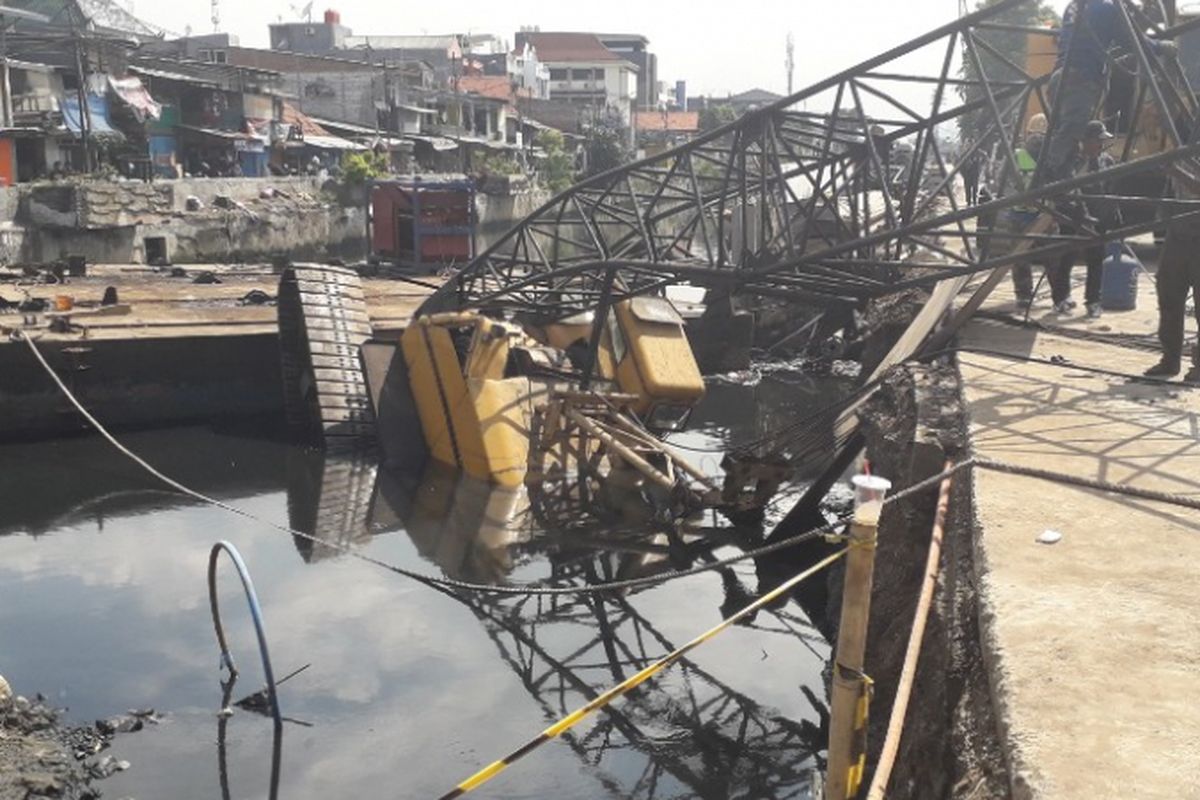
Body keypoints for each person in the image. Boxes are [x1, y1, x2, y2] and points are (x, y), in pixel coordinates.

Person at [1042, 0, 1172, 183]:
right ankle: (1047, 170)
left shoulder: (1074, 5)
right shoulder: (1105, 7)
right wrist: (1159, 47)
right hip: (1081, 77)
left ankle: (1060, 178)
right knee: (1073, 128)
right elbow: (1131, 39)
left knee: (1067, 132)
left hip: (1060, 76)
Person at [1048, 120, 1120, 317]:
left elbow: (1110, 190)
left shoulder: (1107, 161)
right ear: (1086, 141)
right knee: (1067, 257)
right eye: (1097, 140)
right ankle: (1061, 297)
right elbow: (1064, 189)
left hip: (1098, 217)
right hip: (1073, 217)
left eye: (1102, 141)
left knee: (1096, 259)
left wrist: (1111, 216)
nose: (1100, 144)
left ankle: (1093, 301)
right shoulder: (1072, 161)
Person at [1145, 185, 1200, 381]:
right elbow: (1170, 189)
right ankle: (1170, 359)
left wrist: (1179, 174)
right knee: (1168, 294)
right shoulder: (1178, 154)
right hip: (1178, 232)